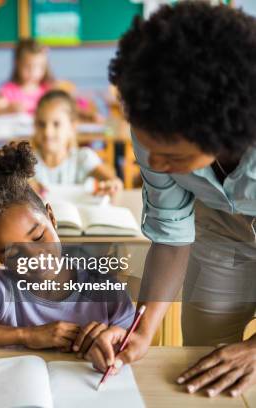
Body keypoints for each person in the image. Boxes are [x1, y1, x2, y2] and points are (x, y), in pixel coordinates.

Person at [85, 3, 256, 398]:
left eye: (173, 157)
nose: (156, 165)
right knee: (206, 357)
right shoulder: (157, 119)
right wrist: (142, 331)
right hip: (219, 227)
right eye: (150, 151)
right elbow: (172, 234)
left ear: (223, 133)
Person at [0, 142, 134, 350]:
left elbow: (133, 339)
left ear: (52, 217)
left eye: (39, 236)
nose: (34, 258)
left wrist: (114, 338)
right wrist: (26, 335)